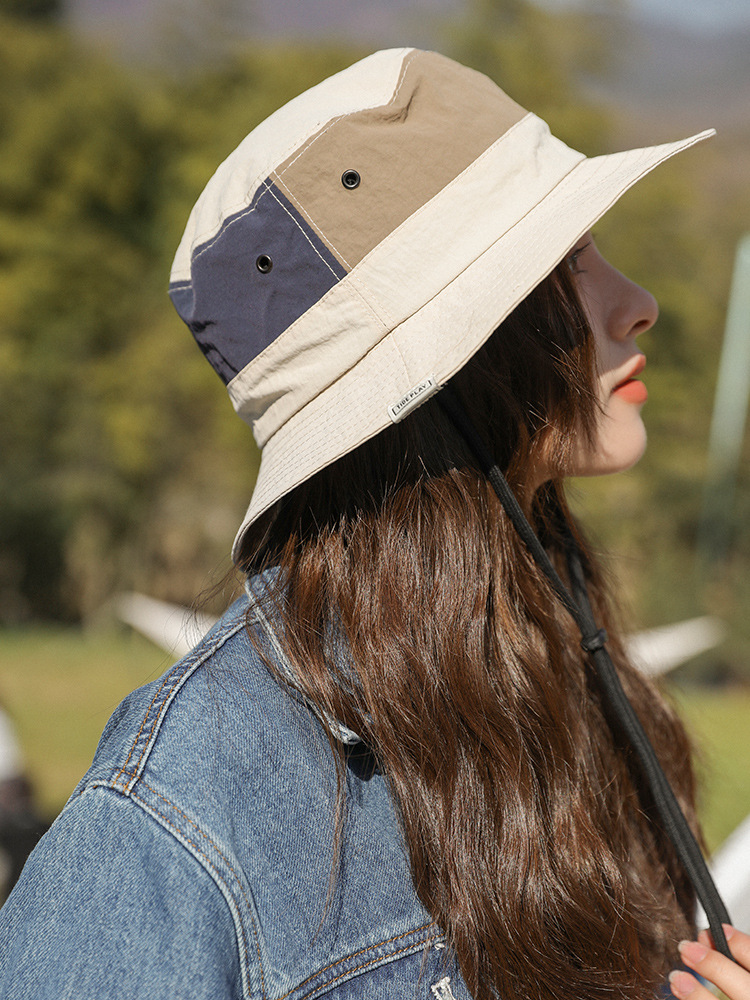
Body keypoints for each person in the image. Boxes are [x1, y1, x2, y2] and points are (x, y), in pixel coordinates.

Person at [0, 47, 745, 1000]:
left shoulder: (558, 659)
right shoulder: (174, 823)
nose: (639, 305)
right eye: (567, 263)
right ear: (446, 366)